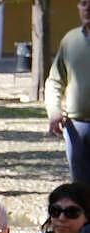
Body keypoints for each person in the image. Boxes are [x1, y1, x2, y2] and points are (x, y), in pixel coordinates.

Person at [46, 0, 90, 184]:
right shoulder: (70, 41)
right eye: (84, 3)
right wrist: (54, 112)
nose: (88, 8)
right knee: (80, 187)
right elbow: (55, 80)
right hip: (77, 127)